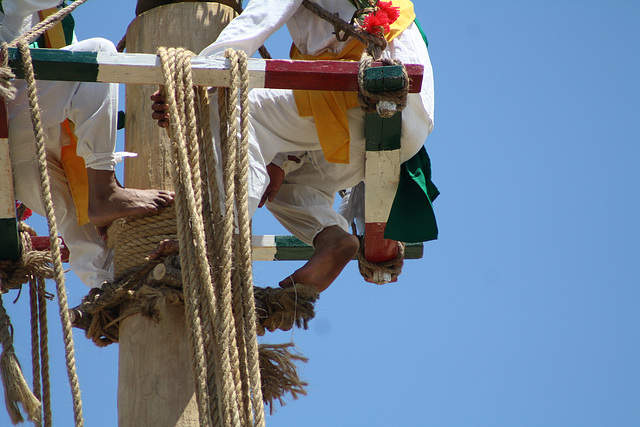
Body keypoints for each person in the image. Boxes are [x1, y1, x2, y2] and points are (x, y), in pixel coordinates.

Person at [151, 0, 435, 294]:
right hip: (407, 122)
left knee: (220, 107)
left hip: (370, 95)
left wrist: (194, 80)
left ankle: (219, 238)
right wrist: (282, 161)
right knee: (285, 181)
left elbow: (259, 19)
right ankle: (330, 238)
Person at [2, 0, 174, 287]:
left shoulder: (52, 22)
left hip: (28, 144)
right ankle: (103, 191)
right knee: (97, 57)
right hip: (11, 113)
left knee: (86, 234)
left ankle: (109, 301)